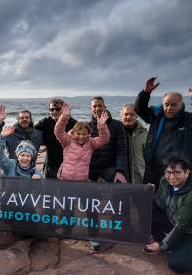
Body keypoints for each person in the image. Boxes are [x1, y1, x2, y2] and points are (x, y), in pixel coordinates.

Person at [135, 78, 192, 189]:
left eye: (174, 104)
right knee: (154, 201)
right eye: (166, 104)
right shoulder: (156, 118)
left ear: (180, 105)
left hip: (180, 171)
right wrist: (145, 93)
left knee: (178, 202)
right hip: (155, 168)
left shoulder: (188, 120)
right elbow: (139, 109)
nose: (169, 108)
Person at [87, 96, 128, 251]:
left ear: (105, 106)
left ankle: (117, 228)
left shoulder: (117, 125)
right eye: (94, 106)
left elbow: (122, 149)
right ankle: (94, 234)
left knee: (121, 189)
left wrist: (119, 171)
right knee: (90, 200)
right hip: (90, 168)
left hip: (109, 166)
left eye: (100, 106)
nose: (97, 108)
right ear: (91, 108)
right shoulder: (86, 126)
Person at [54, 103, 109, 181]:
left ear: (88, 134)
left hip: (81, 180)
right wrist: (64, 117)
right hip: (64, 178)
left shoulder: (91, 143)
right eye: (78, 134)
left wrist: (102, 127)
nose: (81, 136)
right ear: (74, 133)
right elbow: (58, 131)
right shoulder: (68, 141)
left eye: (84, 134)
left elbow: (104, 140)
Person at [35, 98, 77, 179]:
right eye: (51, 109)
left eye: (57, 109)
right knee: (51, 189)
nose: (54, 112)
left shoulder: (73, 123)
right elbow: (28, 130)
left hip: (70, 164)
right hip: (52, 165)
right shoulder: (45, 122)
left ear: (64, 109)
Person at [120, 104, 147, 184]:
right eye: (126, 114)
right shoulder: (116, 133)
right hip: (121, 180)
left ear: (137, 116)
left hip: (140, 180)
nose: (128, 117)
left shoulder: (144, 134)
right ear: (121, 116)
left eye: (132, 114)